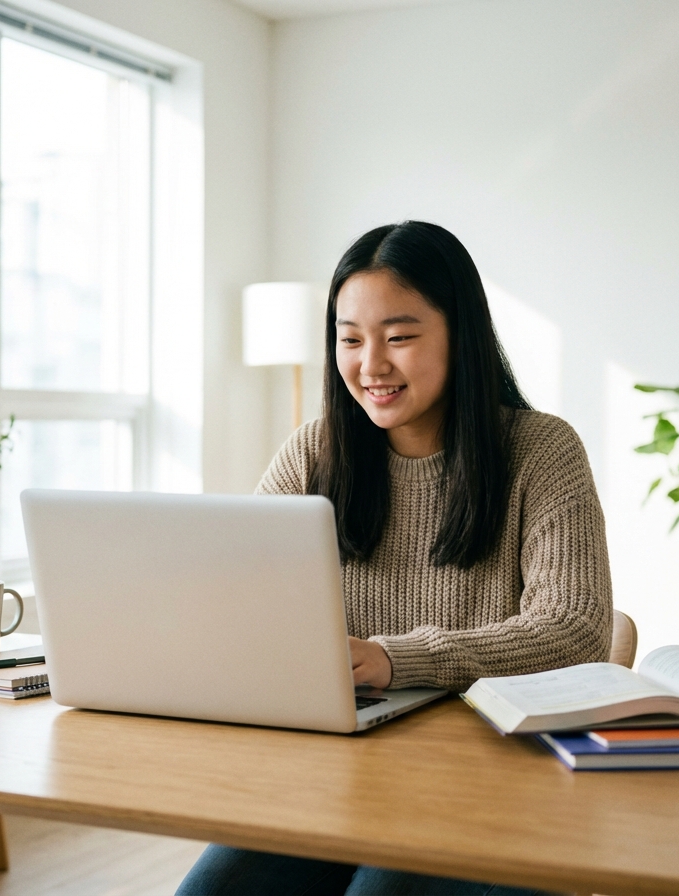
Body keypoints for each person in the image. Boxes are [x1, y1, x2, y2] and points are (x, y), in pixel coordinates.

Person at [177, 221, 612, 896]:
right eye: (349, 339)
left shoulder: (541, 451)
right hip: (336, 776)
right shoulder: (314, 452)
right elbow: (237, 595)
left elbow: (575, 631)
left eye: (399, 337)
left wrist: (394, 657)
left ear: (459, 334)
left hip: (493, 783)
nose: (370, 364)